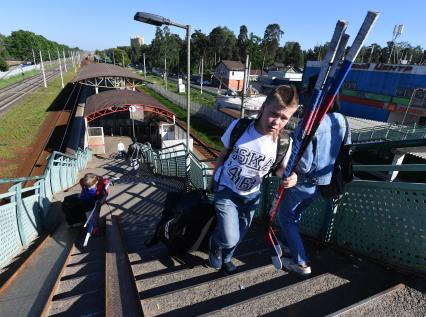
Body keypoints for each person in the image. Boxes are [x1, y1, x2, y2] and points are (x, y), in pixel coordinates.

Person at [208, 85, 299, 275]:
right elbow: (223, 154)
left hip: (251, 197)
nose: (277, 122)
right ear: (262, 107)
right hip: (226, 189)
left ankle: (226, 258)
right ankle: (215, 244)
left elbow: (281, 170)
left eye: (284, 118)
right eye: (273, 114)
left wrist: (291, 178)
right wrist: (212, 179)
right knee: (229, 237)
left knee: (239, 235)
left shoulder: (283, 143)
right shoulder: (240, 127)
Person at [277, 77, 351, 276]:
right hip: (324, 181)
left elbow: (303, 163)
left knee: (286, 217)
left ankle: (301, 262)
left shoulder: (308, 124)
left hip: (302, 182)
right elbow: (345, 149)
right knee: (296, 215)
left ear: (313, 95)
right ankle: (287, 245)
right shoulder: (341, 119)